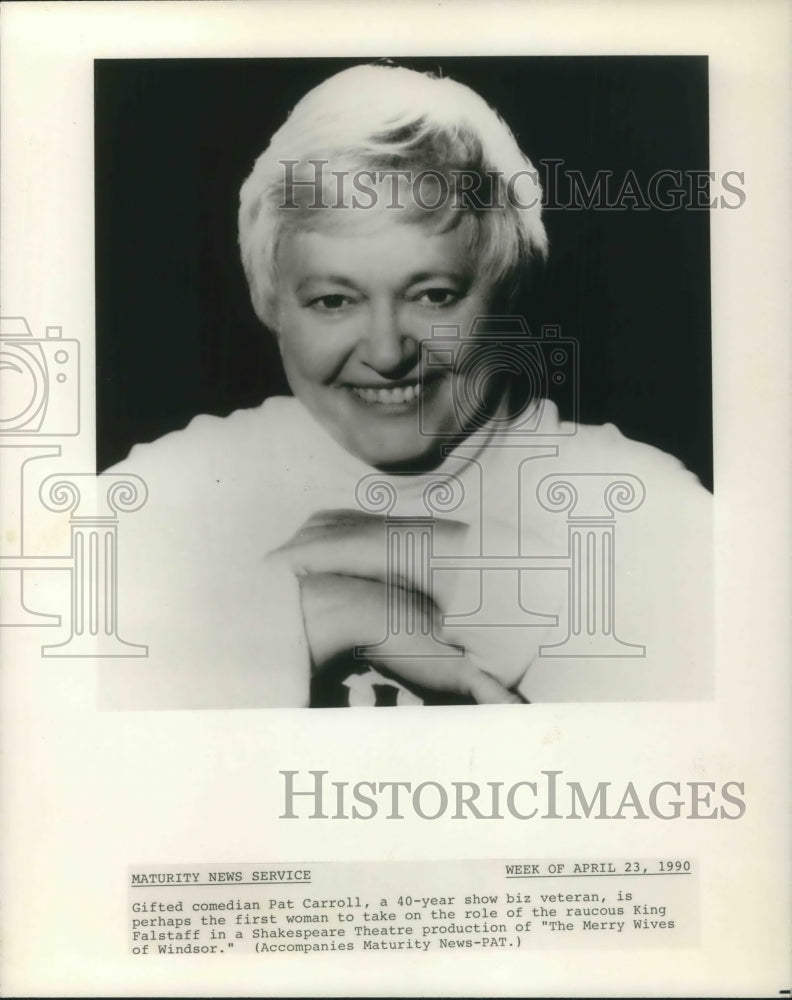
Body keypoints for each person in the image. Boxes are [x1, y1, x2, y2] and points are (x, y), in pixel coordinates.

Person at [103, 63, 711, 710]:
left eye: (434, 295)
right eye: (335, 301)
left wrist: (432, 566)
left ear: (507, 291)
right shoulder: (164, 499)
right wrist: (319, 615)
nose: (388, 352)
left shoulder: (646, 505)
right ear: (273, 304)